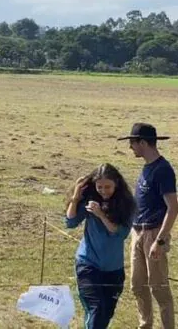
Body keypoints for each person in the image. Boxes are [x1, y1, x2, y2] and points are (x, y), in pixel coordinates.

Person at [118, 123, 178, 329]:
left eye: (132, 143)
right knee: (137, 285)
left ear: (143, 142)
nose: (130, 148)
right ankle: (145, 325)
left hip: (154, 233)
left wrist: (160, 241)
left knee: (159, 288)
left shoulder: (163, 170)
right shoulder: (146, 167)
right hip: (138, 232)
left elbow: (172, 208)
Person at [65, 163, 136, 329]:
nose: (103, 191)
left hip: (114, 269)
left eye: (108, 187)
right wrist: (76, 199)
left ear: (116, 184)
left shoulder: (127, 204)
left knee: (106, 314)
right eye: (99, 187)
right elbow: (70, 222)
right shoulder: (91, 200)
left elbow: (120, 234)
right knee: (96, 310)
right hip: (88, 265)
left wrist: (101, 215)